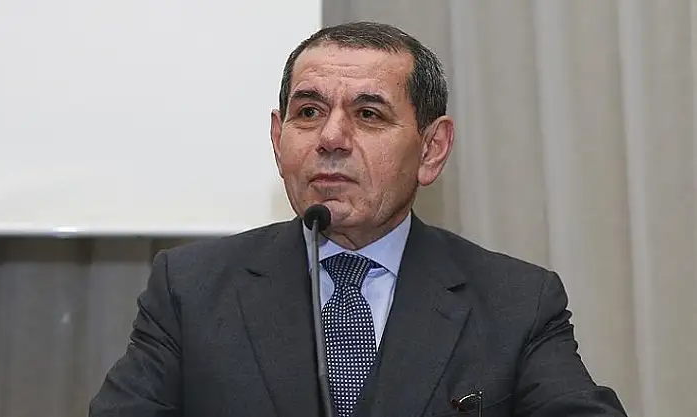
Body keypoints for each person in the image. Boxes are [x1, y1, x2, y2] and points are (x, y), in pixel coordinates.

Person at [89, 21, 628, 417]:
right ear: (277, 138)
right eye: (308, 112)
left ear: (432, 149)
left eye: (369, 115)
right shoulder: (190, 288)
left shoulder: (516, 302)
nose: (331, 138)